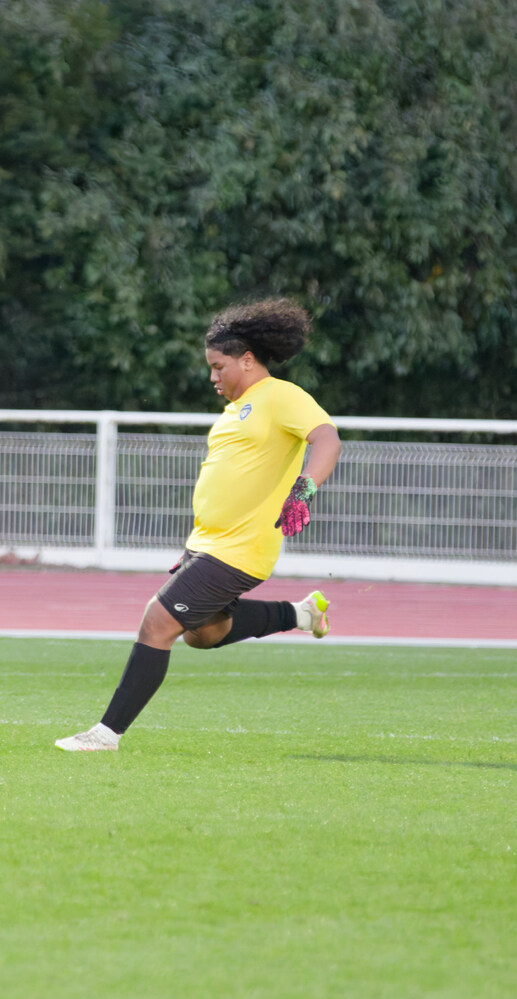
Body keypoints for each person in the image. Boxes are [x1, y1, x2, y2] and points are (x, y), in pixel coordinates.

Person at [56, 298, 342, 752]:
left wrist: (304, 488)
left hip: (241, 549)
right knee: (202, 634)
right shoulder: (235, 410)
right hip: (207, 545)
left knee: (157, 623)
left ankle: (105, 735)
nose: (213, 377)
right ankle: (303, 614)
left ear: (247, 360)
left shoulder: (280, 395)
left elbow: (327, 438)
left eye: (218, 366)